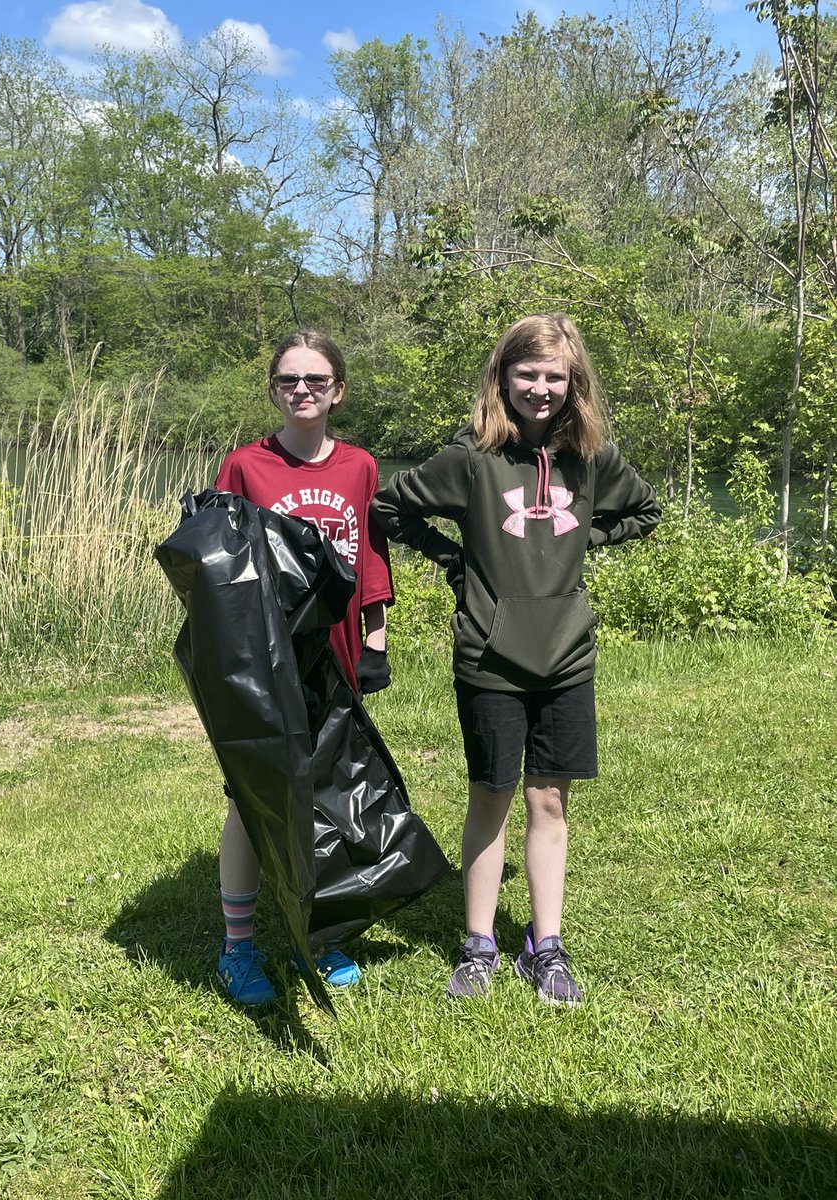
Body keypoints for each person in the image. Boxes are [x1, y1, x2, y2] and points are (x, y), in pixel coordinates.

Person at [372, 314, 661, 1006]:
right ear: (502, 378)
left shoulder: (591, 459)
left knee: (549, 799)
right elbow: (388, 505)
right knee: (492, 797)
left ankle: (546, 946)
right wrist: (452, 558)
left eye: (554, 376)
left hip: (566, 655)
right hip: (489, 656)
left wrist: (578, 542)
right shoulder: (472, 456)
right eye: (526, 373)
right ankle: (479, 946)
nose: (540, 387)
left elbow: (645, 511)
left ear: (574, 383)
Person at [212, 330, 394, 1005]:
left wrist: (377, 639)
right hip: (264, 661)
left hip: (337, 657)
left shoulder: (360, 467)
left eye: (316, 380)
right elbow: (219, 571)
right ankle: (237, 947)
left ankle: (320, 928)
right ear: (274, 389)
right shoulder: (243, 467)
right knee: (250, 798)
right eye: (289, 380)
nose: (302, 391)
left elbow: (371, 558)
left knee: (327, 788)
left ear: (338, 390)